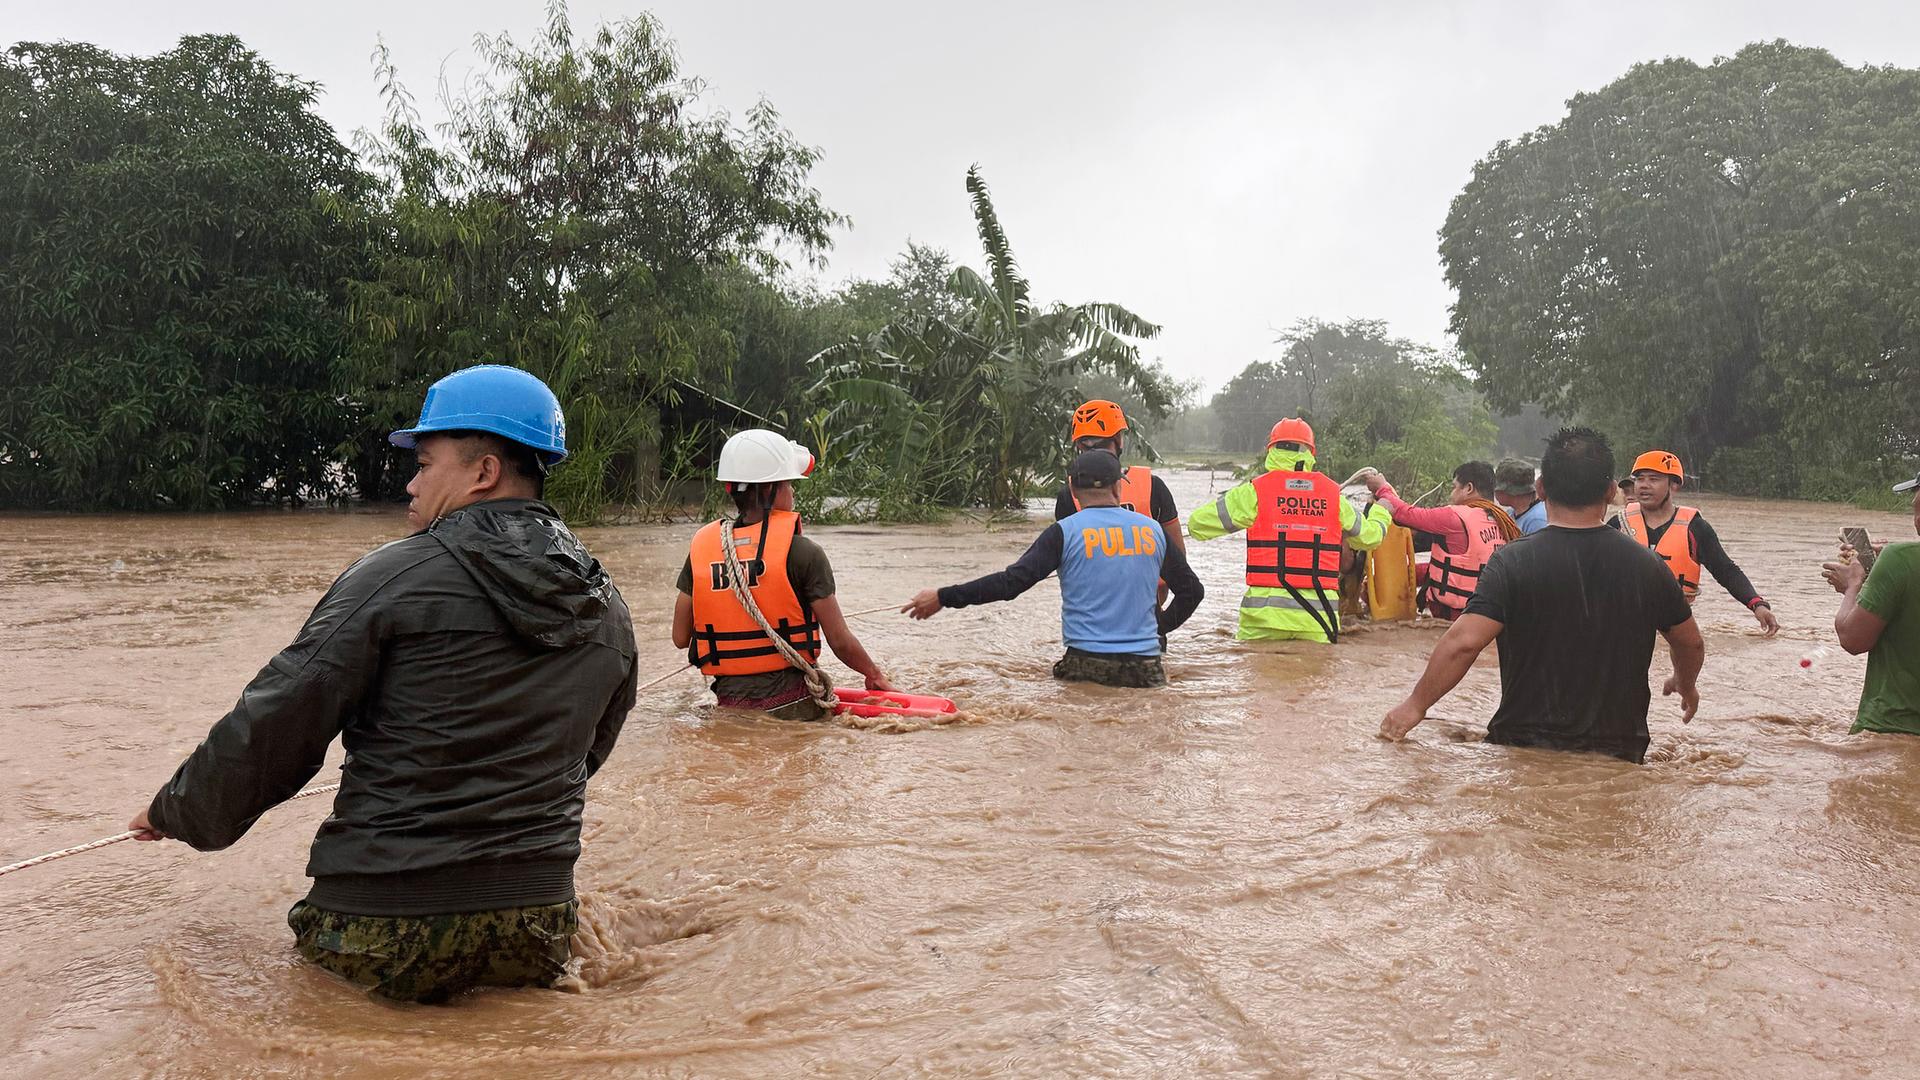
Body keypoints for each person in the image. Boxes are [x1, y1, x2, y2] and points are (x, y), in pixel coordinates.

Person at [128, 365, 639, 1003]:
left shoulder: (392, 576)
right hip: (537, 925)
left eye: (424, 465)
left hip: (380, 921)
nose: (410, 483)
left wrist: (177, 809)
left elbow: (281, 719)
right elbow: (586, 754)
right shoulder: (606, 605)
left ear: (484, 473)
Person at [1380, 427, 1706, 763]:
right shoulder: (1648, 566)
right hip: (1618, 755)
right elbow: (1690, 643)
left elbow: (1463, 643)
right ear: (1612, 492)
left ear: (1541, 488)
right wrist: (1685, 682)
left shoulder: (1511, 562)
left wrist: (1415, 705)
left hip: (1523, 750)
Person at [902, 450, 1203, 687]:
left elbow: (1010, 583)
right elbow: (1192, 591)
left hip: (1084, 665)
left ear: (1072, 488)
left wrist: (943, 596)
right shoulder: (1152, 531)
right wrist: (1158, 628)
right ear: (1117, 486)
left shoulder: (1063, 532)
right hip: (1146, 669)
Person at [674, 429, 893, 720]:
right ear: (770, 491)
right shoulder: (804, 552)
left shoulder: (703, 550)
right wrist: (874, 674)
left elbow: (680, 637)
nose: (792, 492)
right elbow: (839, 640)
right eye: (789, 484)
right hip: (794, 706)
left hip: (730, 710)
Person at [1188, 418, 1390, 643]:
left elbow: (1197, 525)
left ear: (1272, 450)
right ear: (1310, 453)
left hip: (1262, 622)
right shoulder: (1333, 497)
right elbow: (1371, 537)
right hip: (1317, 623)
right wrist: (1382, 510)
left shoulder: (1254, 492)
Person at [1610, 450, 1779, 638]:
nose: (1644, 485)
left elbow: (1725, 570)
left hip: (1673, 623)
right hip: (1625, 621)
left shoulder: (1696, 528)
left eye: (1654, 479)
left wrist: (1757, 604)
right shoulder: (1619, 524)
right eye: (1640, 479)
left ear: (1674, 485)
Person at [1821, 472, 1920, 735]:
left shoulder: (1898, 560)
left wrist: (1853, 585)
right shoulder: (1899, 560)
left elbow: (1852, 638)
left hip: (1889, 731)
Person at [1361, 461, 1520, 622]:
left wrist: (1382, 488)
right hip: (1492, 613)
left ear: (1469, 488)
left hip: (1455, 616)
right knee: (1415, 572)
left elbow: (1404, 513)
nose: (1451, 494)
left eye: (1454, 487)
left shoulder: (1455, 517)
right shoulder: (1504, 521)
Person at [1494, 458, 1548, 535]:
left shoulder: (1537, 521)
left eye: (1498, 489)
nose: (1495, 492)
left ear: (1512, 492)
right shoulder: (1511, 513)